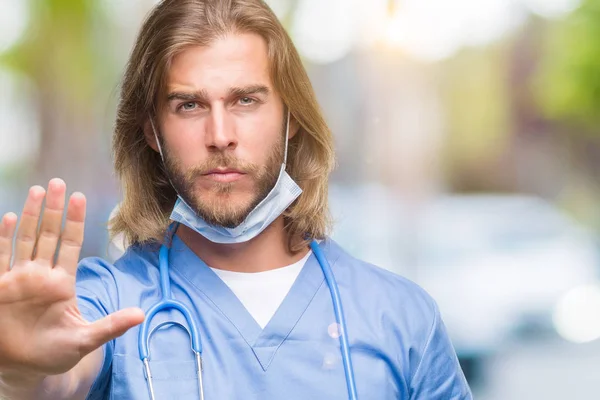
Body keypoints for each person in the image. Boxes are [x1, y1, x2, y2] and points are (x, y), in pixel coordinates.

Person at [0, 0, 472, 399]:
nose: (220, 135)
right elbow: (58, 369)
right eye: (189, 105)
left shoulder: (402, 318)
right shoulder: (108, 302)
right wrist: (24, 372)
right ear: (151, 131)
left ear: (291, 119)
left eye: (246, 100)